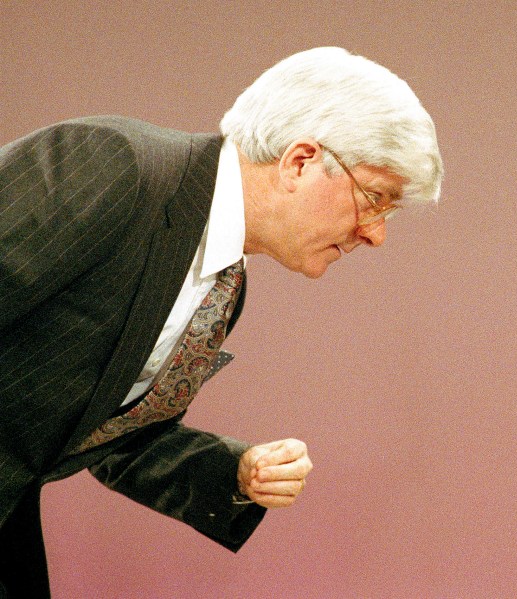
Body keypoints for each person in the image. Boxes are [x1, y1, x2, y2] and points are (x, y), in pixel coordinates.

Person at [0, 46, 443, 597]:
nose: (376, 234)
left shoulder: (224, 289)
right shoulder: (118, 165)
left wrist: (236, 470)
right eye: (375, 199)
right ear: (300, 161)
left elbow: (106, 434)